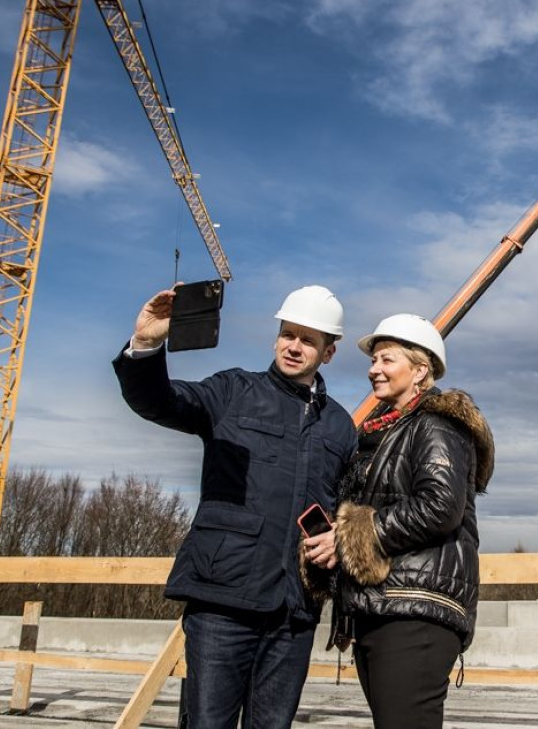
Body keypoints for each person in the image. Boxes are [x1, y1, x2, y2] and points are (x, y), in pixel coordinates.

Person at [113, 284, 357, 729]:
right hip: (223, 602)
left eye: (308, 340)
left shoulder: (340, 427)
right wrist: (147, 344)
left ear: (329, 352)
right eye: (288, 334)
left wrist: (339, 540)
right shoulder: (233, 391)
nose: (294, 347)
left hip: (294, 612)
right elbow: (158, 402)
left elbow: (347, 508)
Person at [304, 314, 493, 729]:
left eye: (387, 360)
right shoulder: (384, 434)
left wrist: (350, 536)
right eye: (374, 361)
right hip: (386, 608)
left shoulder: (437, 425)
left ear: (420, 370)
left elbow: (441, 506)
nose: (374, 369)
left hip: (416, 614)